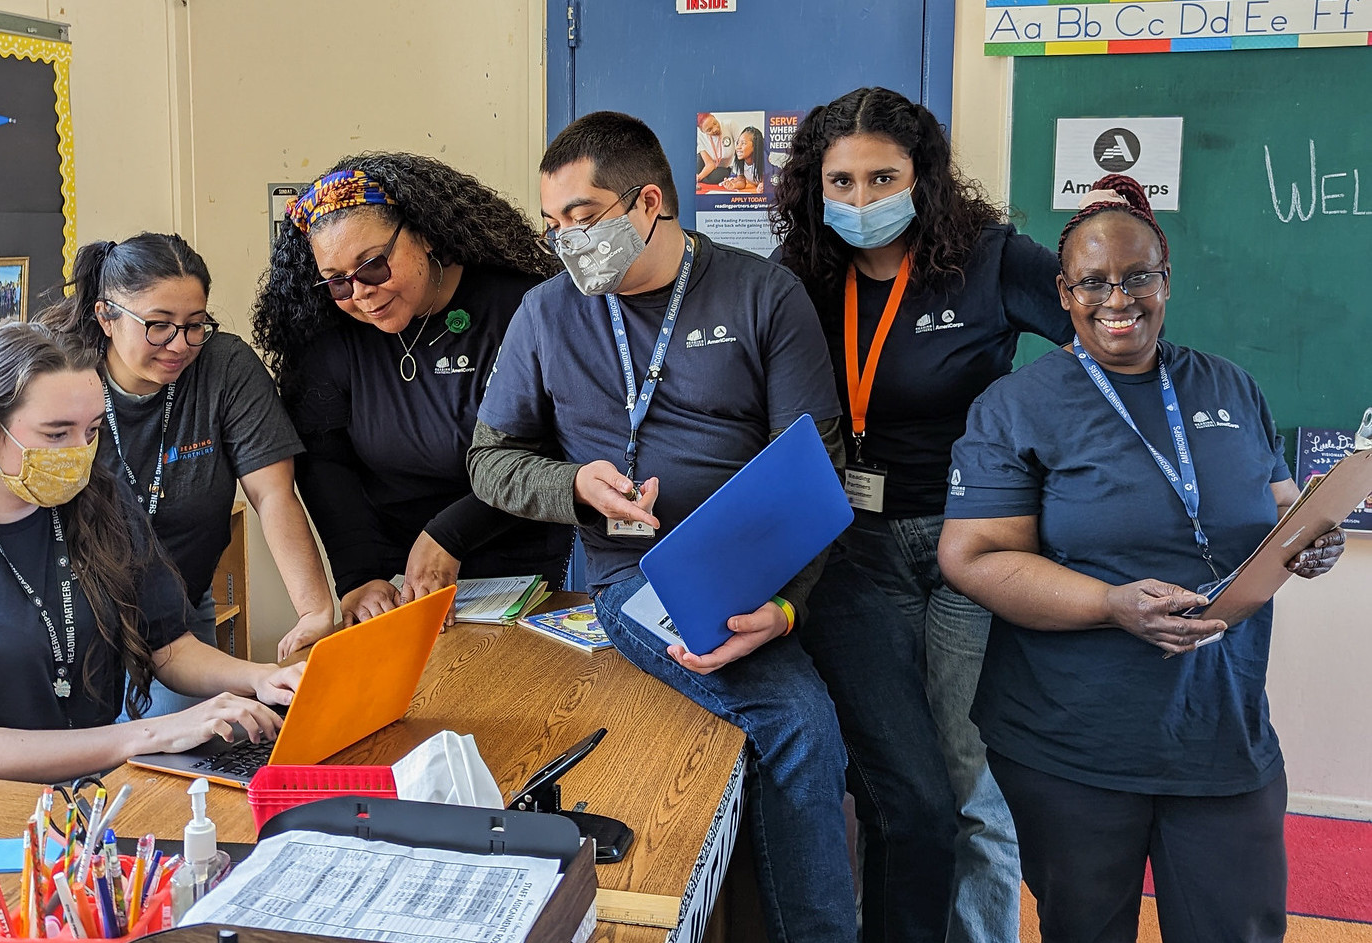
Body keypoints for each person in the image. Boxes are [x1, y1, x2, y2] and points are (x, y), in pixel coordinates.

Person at [468, 110, 856, 943]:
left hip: (760, 563)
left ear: (648, 203)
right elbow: (488, 462)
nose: (565, 242)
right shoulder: (545, 314)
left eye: (581, 218)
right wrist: (574, 484)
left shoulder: (762, 293)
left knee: (800, 725)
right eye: (551, 226)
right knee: (795, 720)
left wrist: (784, 606)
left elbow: (813, 469)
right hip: (632, 579)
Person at [939, 174, 1346, 943]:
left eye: (1137, 277)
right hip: (1073, 744)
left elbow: (1282, 509)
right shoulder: (1016, 407)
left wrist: (1311, 539)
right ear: (1063, 293)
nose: (1116, 298)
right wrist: (1110, 604)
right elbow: (974, 555)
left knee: (1241, 926)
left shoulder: (1233, 386)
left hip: (1222, 732)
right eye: (1093, 281)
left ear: (1167, 281)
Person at [770, 85, 1074, 941]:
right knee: (898, 784)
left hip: (970, 546)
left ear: (924, 176)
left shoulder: (992, 259)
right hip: (850, 551)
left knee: (973, 783)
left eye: (882, 177)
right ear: (812, 186)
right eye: (841, 182)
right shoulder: (802, 279)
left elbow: (1110, 352)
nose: (861, 201)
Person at [0, 324, 303, 783]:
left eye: (92, 431)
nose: (80, 454)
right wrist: (150, 733)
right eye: (57, 435)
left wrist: (259, 678)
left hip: (82, 796)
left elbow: (169, 647)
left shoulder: (99, 500)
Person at [250, 154, 573, 656]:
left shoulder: (521, 307)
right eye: (337, 281)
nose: (362, 295)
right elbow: (327, 463)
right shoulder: (331, 337)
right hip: (400, 582)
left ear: (424, 234)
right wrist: (358, 575)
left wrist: (450, 536)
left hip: (527, 568)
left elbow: (554, 446)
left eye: (374, 266)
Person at [38, 233, 332, 712]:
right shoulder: (66, 376)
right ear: (106, 316)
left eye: (195, 325)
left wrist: (314, 610)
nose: (180, 344)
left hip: (177, 615)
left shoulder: (225, 368)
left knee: (188, 762)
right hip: (77, 617)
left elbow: (273, 495)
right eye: (158, 326)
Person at [721, 126, 765, 192]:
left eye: (743, 143)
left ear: (755, 146)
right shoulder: (739, 162)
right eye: (738, 143)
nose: (738, 147)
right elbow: (742, 181)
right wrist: (733, 185)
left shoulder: (765, 162)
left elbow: (770, 181)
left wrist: (764, 185)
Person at [695, 112, 728, 184]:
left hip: (723, 168)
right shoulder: (700, 137)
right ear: (702, 131)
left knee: (716, 176)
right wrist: (699, 177)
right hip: (707, 165)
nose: (715, 129)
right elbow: (710, 164)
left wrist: (699, 177)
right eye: (709, 130)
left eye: (715, 123)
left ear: (714, 117)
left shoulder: (729, 125)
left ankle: (699, 177)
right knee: (697, 162)